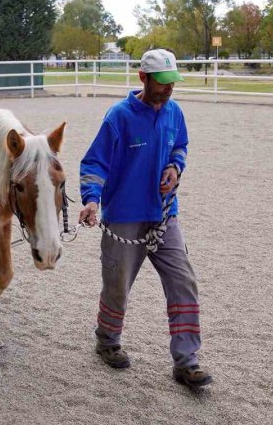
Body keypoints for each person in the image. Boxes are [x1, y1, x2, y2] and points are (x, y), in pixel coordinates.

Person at [78, 48, 213, 389]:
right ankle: (108, 340)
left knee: (183, 282)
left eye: (172, 82)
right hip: (124, 217)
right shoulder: (118, 116)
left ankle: (187, 361)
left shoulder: (174, 112)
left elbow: (180, 145)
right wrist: (91, 200)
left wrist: (175, 167)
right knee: (117, 283)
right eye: (162, 82)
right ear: (143, 78)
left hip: (165, 216)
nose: (169, 88)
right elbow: (94, 162)